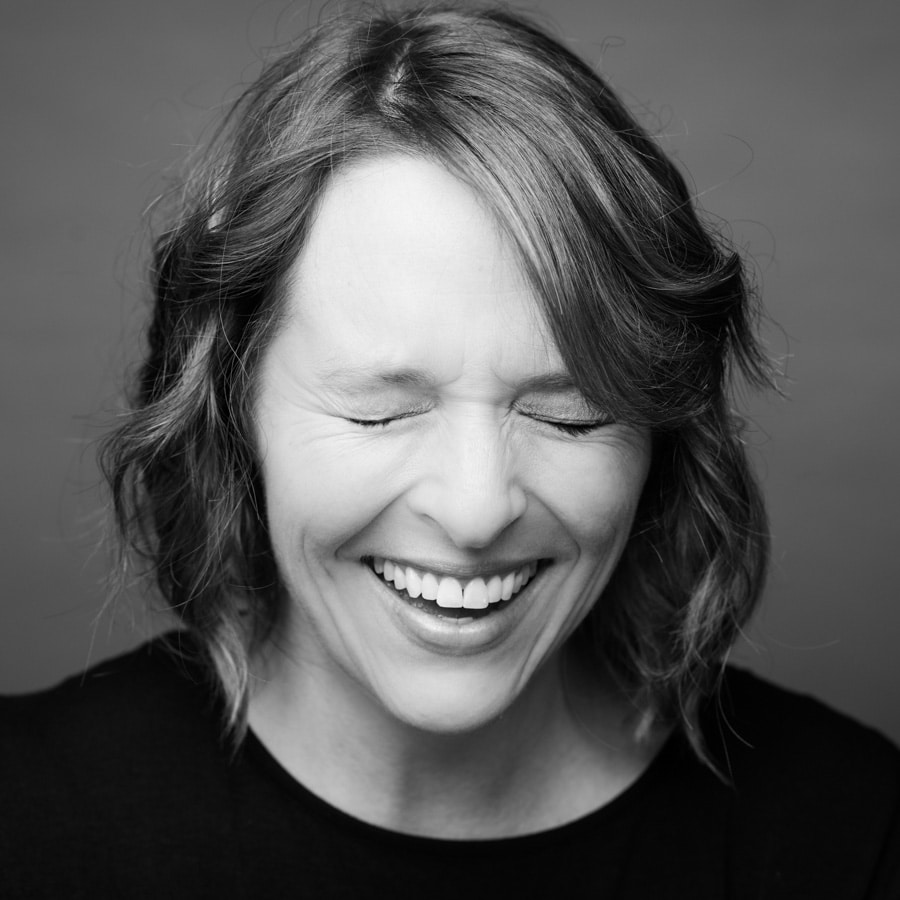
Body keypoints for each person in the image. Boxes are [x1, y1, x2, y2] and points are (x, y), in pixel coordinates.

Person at [1, 3, 897, 897]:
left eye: (571, 416)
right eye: (379, 413)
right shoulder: (31, 821)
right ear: (233, 414)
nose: (476, 511)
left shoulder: (852, 834)